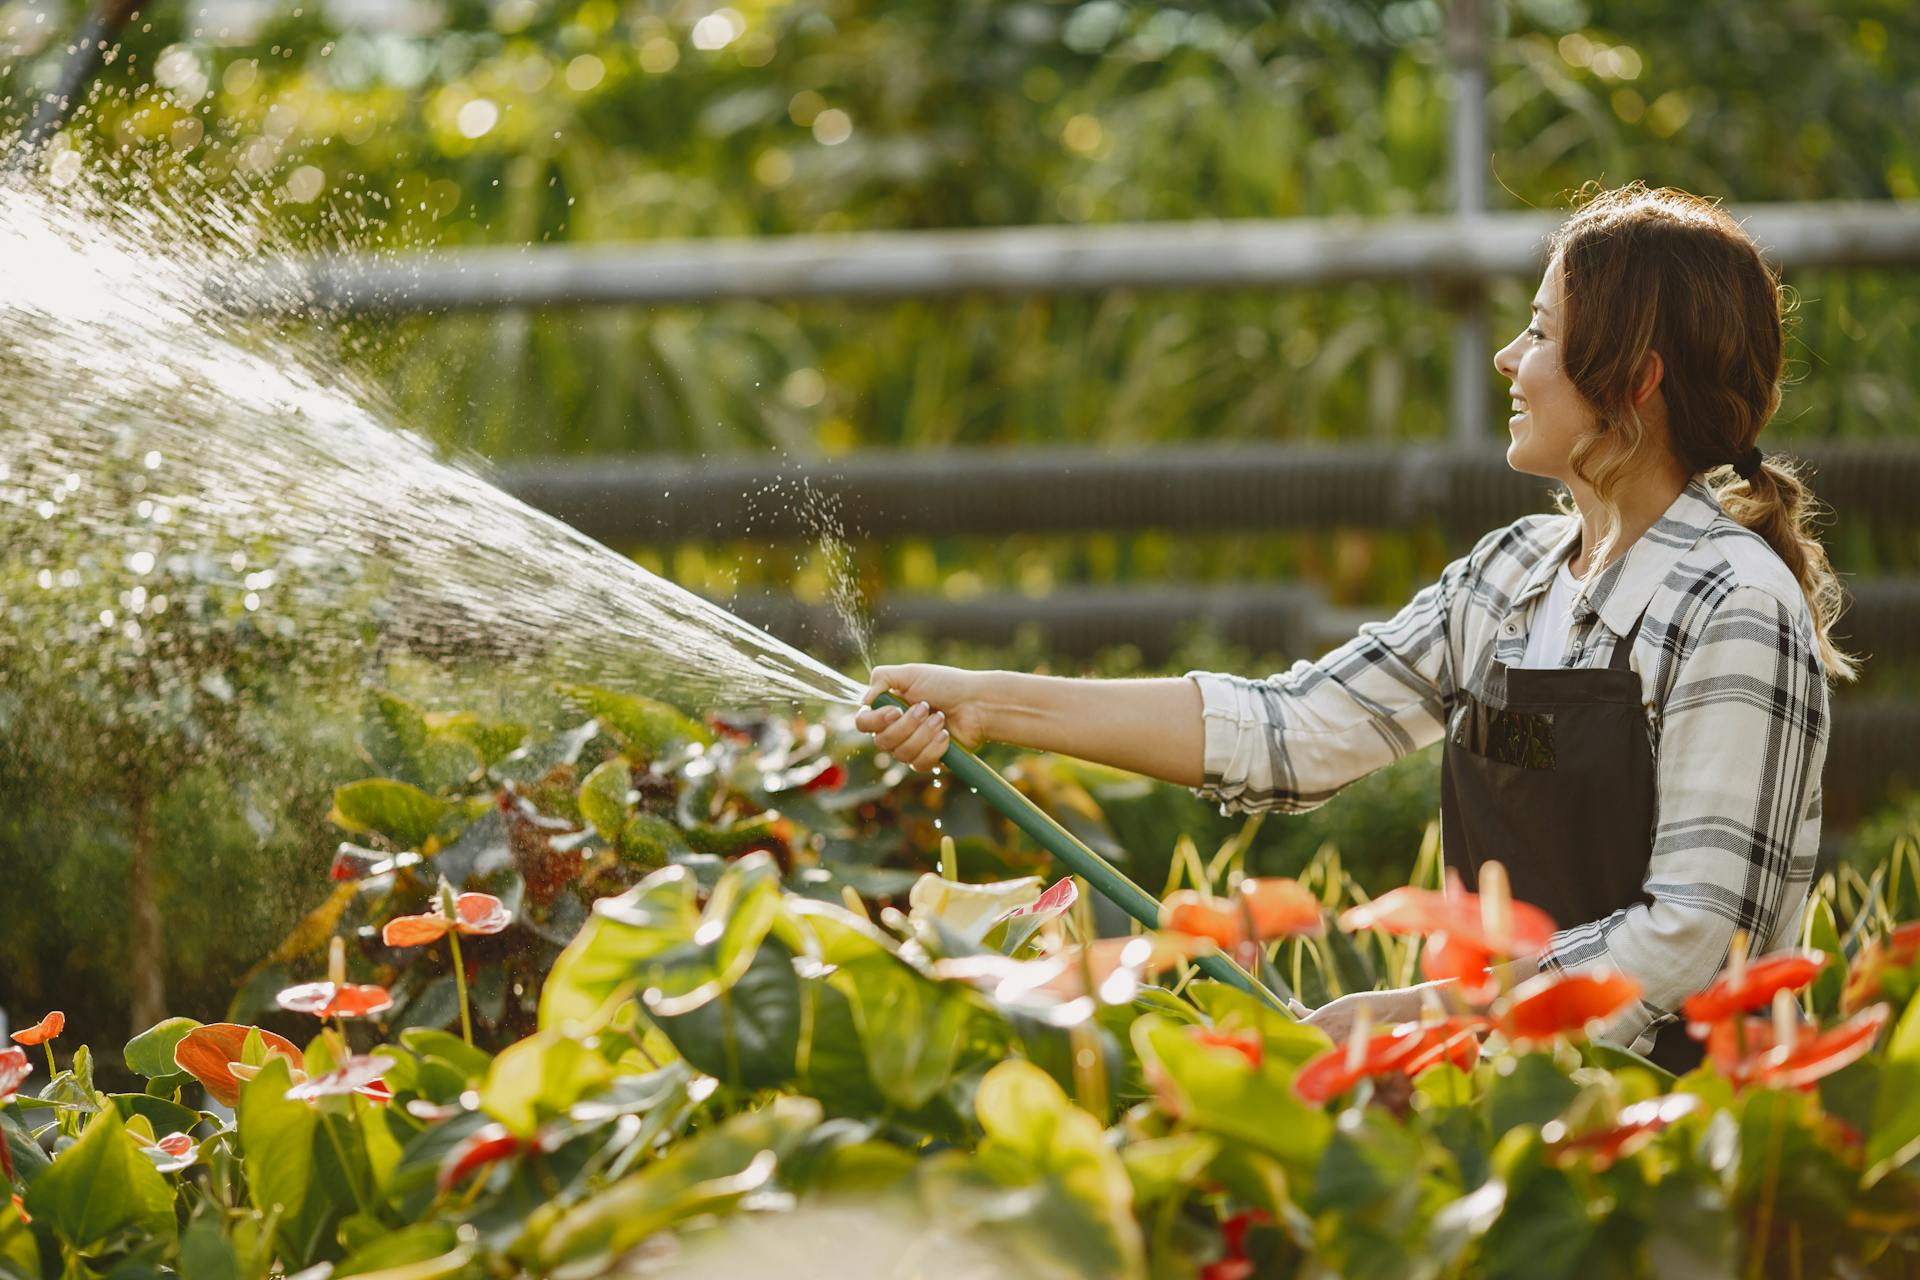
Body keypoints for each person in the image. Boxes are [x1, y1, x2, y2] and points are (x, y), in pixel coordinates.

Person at [854, 183, 1852, 1072]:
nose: (1509, 357)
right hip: (1506, 1118)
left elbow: (1691, 940)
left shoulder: (1734, 606)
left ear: (1635, 380)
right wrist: (984, 700)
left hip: (1681, 1146)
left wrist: (1424, 1017)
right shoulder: (1509, 578)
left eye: (1541, 333)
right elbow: (1292, 730)